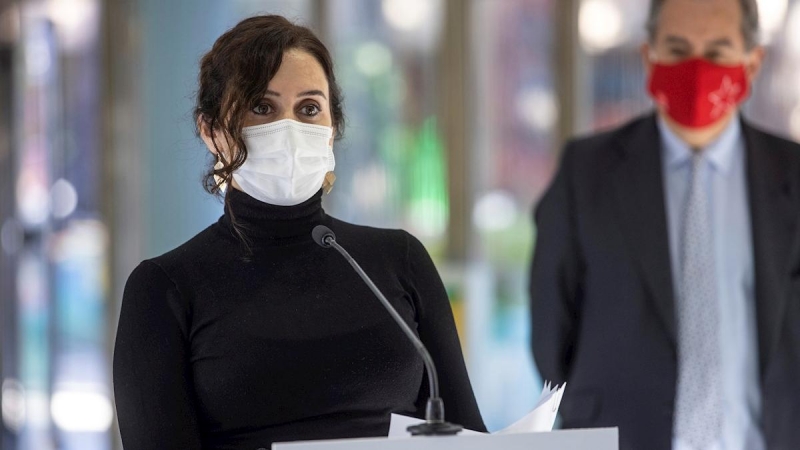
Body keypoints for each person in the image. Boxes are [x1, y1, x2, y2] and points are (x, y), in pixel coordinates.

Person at [113, 15, 485, 449]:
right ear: (211, 129)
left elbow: (469, 433)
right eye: (262, 107)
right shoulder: (165, 288)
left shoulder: (398, 260)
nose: (288, 128)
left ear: (331, 130)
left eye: (309, 108)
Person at [529, 0, 800, 449]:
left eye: (717, 52)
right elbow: (551, 326)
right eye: (677, 49)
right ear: (647, 55)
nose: (696, 67)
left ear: (753, 62)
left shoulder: (793, 175)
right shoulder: (587, 172)